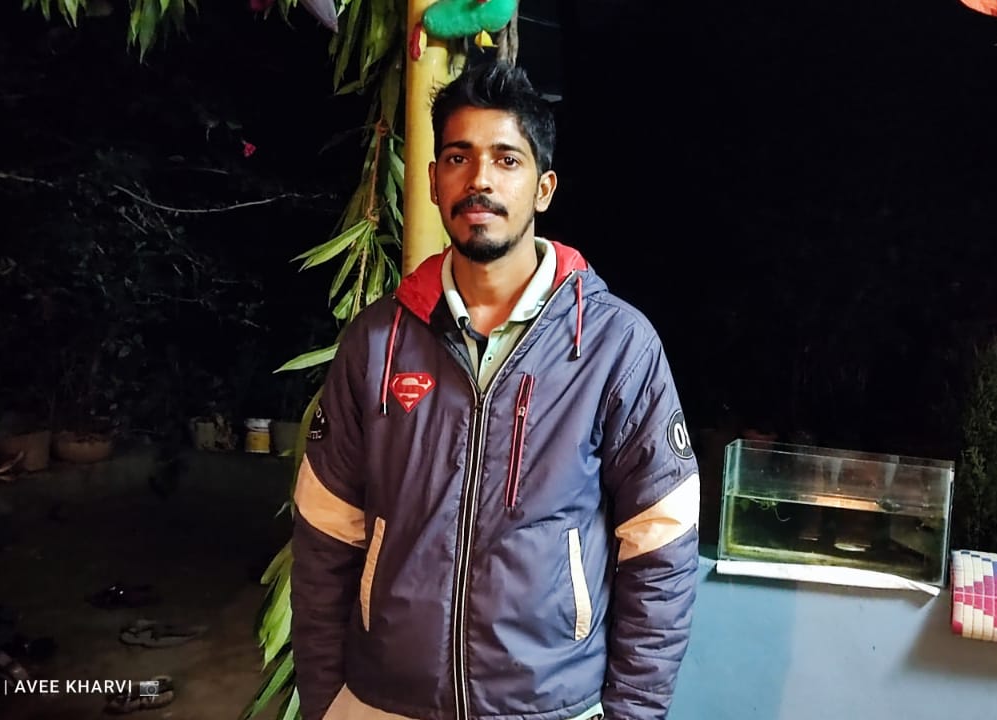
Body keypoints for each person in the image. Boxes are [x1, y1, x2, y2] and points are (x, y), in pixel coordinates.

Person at [290, 60, 701, 720]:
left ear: (543, 188)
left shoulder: (614, 347)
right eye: (459, 157)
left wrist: (632, 713)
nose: (480, 178)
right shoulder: (377, 342)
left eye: (507, 159)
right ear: (433, 181)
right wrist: (324, 701)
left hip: (549, 705)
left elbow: (661, 547)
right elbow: (325, 533)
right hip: (383, 703)